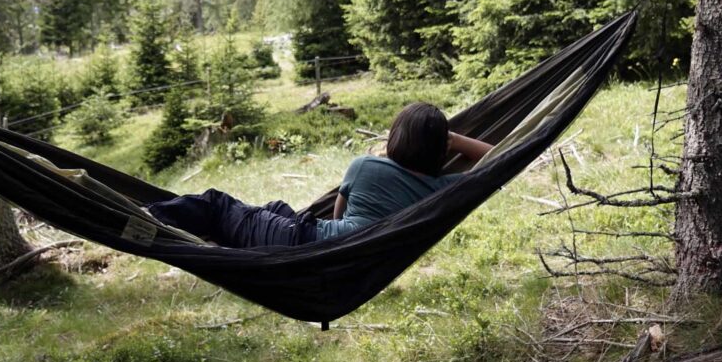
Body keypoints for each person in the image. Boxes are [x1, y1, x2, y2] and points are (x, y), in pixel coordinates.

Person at [145, 102, 493, 248]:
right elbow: (496, 159)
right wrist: (454, 139)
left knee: (215, 204)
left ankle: (146, 219)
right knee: (276, 208)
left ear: (395, 138)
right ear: (440, 150)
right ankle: (211, 238)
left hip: (307, 241)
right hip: (311, 237)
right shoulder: (441, 190)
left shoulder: (364, 165)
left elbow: (336, 215)